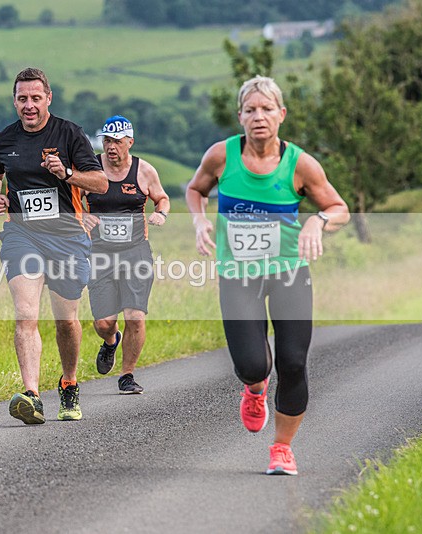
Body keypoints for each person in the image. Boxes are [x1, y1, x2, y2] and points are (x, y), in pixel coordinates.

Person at [185, 75, 349, 475]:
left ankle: (282, 448)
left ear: (282, 114)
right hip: (237, 274)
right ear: (240, 116)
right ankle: (254, 388)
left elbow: (339, 207)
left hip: (289, 270)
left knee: (292, 362)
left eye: (267, 109)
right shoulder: (222, 156)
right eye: (251, 110)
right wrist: (199, 222)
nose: (259, 116)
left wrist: (317, 222)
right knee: (253, 365)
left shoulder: (301, 164)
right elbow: (195, 189)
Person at [0, 67, 108, 424]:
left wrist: (67, 174)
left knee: (66, 321)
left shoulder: (70, 134)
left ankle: (68, 383)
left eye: (36, 98)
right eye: (22, 98)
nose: (29, 105)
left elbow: (99, 183)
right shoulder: (4, 140)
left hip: (68, 238)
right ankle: (32, 396)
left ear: (48, 98)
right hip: (22, 235)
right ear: (15, 100)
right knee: (26, 313)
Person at [83, 115, 170, 394]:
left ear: (130, 142)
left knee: (135, 316)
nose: (111, 147)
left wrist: (161, 214)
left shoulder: (144, 171)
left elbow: (162, 197)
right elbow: (71, 199)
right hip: (100, 253)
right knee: (103, 322)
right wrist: (81, 216)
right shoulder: (90, 167)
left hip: (135, 251)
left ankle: (127, 375)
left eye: (117, 142)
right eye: (107, 141)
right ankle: (110, 341)